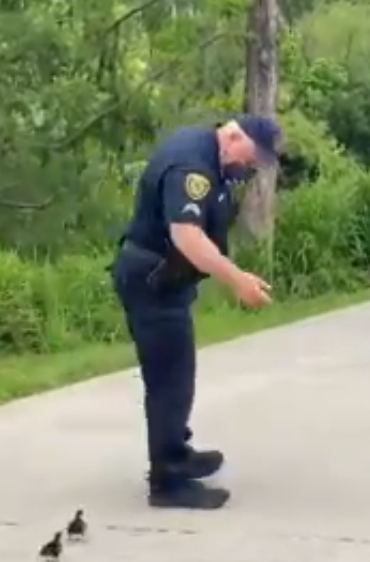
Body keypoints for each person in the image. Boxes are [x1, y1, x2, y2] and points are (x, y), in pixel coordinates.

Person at [111, 114, 282, 510]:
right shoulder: (193, 165)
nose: (252, 167)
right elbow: (185, 235)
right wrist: (237, 279)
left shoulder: (210, 154)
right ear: (235, 136)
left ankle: (176, 451)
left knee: (178, 374)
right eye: (253, 157)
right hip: (151, 279)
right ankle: (167, 481)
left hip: (166, 280)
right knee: (169, 381)